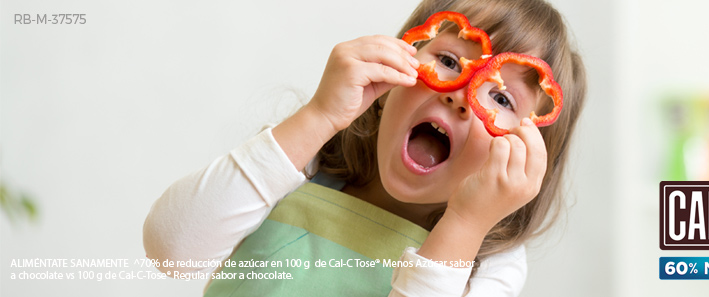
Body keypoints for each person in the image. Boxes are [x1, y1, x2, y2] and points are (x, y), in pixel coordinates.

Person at [143, 0, 586, 295]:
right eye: (448, 61)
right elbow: (172, 251)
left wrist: (466, 224)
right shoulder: (304, 157)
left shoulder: (491, 261)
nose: (460, 94)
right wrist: (318, 115)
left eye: (502, 98)